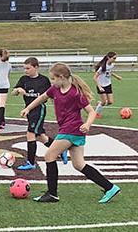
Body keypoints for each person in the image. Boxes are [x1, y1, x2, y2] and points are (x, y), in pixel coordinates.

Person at [20, 63, 121, 204]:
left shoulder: (75, 93)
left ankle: (52, 193)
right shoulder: (55, 89)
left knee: (49, 155)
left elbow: (91, 112)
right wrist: (28, 108)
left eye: (53, 78)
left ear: (61, 77)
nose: (52, 82)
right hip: (72, 131)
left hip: (71, 129)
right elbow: (43, 97)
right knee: (79, 165)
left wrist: (87, 124)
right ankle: (110, 187)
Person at [12, 57, 66, 170]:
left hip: (39, 110)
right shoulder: (24, 79)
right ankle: (61, 150)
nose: (25, 71)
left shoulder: (44, 80)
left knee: (30, 134)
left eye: (28, 68)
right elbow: (13, 92)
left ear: (36, 67)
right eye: (24, 68)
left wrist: (58, 107)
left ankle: (31, 162)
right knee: (41, 136)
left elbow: (51, 94)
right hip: (28, 110)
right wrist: (18, 90)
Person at [94, 52, 123, 118]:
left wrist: (116, 76)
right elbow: (95, 77)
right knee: (104, 102)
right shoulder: (102, 67)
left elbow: (110, 71)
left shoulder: (112, 64)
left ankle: (99, 104)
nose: (115, 60)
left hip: (108, 84)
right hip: (101, 85)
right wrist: (99, 87)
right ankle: (96, 113)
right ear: (108, 58)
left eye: (115, 58)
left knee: (110, 102)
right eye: (114, 58)